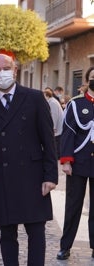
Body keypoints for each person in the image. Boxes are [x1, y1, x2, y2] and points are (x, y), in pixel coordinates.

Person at [0, 53, 58, 266]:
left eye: (6, 68)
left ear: (15, 70)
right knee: (7, 235)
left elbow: (49, 140)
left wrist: (51, 176)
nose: (2, 73)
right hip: (2, 177)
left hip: (34, 177)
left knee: (36, 234)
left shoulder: (35, 98)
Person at [56, 65, 94, 260]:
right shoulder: (76, 103)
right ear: (87, 81)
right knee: (73, 206)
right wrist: (66, 161)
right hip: (79, 161)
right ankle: (65, 246)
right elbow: (68, 132)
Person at [43, 88, 64, 159]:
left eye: (44, 96)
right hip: (58, 125)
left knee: (56, 141)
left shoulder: (52, 103)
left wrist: (53, 127)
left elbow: (54, 115)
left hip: (58, 126)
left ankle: (57, 156)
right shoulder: (52, 101)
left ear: (47, 95)